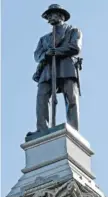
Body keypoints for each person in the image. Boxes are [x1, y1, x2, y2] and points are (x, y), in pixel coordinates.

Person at [33, 4, 82, 132]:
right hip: (47, 69)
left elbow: (75, 47)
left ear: (61, 15)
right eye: (48, 15)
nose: (49, 17)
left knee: (71, 98)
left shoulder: (73, 31)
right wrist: (46, 54)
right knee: (42, 97)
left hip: (67, 67)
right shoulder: (44, 39)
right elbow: (37, 55)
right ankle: (41, 129)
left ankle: (73, 129)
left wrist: (56, 51)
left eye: (52, 14)